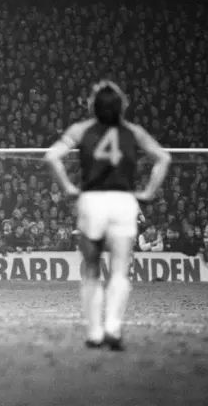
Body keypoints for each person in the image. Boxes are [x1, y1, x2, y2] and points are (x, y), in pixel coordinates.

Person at [44, 80, 171, 351]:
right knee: (120, 269)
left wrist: (67, 187)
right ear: (122, 106)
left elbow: (51, 156)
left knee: (91, 269)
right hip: (124, 202)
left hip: (92, 201)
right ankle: (113, 328)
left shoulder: (81, 130)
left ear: (92, 105)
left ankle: (94, 333)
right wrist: (148, 191)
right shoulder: (134, 132)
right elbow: (163, 158)